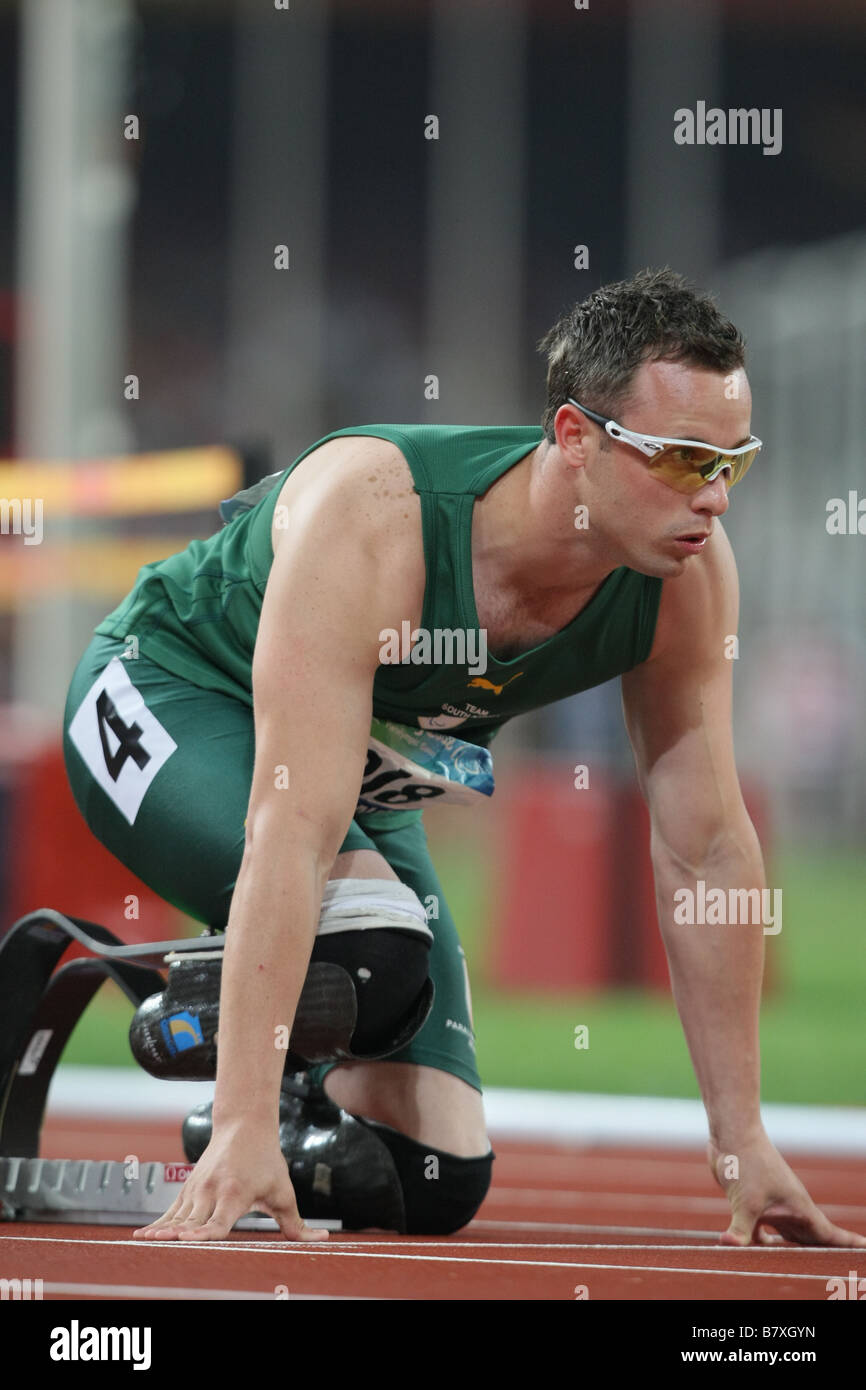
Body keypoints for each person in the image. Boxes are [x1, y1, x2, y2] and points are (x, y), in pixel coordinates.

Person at [62, 269, 866, 1249]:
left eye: (732, 458)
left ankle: (263, 1113)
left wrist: (740, 1144)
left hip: (351, 772)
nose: (718, 496)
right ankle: (198, 1045)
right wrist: (241, 1113)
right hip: (169, 693)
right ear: (574, 438)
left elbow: (703, 849)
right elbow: (292, 822)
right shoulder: (376, 518)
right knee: (368, 943)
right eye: (684, 458)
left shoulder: (685, 578)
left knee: (432, 1175)